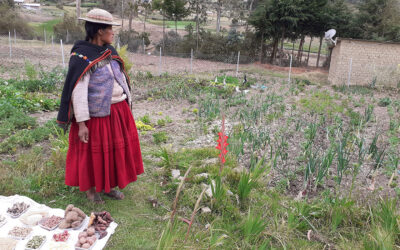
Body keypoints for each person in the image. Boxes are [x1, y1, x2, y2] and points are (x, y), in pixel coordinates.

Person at [57, 8, 144, 203]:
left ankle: (109, 186)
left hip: (118, 112)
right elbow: (78, 92)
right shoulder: (82, 56)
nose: (113, 32)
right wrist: (81, 123)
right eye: (110, 29)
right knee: (93, 155)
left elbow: (120, 78)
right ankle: (91, 191)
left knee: (113, 152)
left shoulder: (109, 51)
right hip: (96, 116)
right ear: (99, 31)